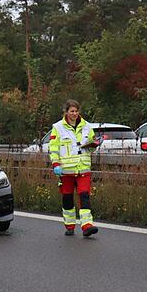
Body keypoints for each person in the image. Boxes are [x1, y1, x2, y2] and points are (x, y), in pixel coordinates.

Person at [48, 99, 100, 237]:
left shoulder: (87, 126)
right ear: (66, 112)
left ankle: (87, 225)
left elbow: (92, 142)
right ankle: (70, 225)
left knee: (84, 196)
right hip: (66, 170)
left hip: (83, 169)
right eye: (72, 111)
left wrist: (93, 145)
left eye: (76, 111)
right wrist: (55, 164)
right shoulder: (58, 127)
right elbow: (53, 148)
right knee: (67, 198)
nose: (74, 113)